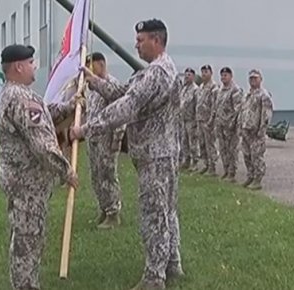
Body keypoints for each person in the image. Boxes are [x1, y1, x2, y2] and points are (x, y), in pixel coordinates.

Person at [70, 19, 183, 290]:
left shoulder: (158, 73)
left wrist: (84, 129)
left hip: (156, 156)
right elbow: (124, 92)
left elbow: (127, 105)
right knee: (166, 211)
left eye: (141, 39)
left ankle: (155, 278)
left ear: (156, 40)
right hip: (160, 154)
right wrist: (93, 80)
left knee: (154, 214)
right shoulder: (154, 71)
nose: (136, 44)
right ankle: (172, 264)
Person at [0, 44, 79, 290]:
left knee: (23, 239)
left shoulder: (10, 94)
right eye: (31, 62)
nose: (35, 67)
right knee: (28, 243)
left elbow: (45, 114)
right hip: (28, 186)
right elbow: (43, 145)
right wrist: (67, 172)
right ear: (18, 66)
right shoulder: (21, 98)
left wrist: (70, 105)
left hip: (18, 183)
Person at [84, 52, 125, 229]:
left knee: (108, 175)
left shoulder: (112, 85)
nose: (89, 71)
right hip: (93, 138)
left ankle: (113, 212)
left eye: (91, 66)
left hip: (107, 139)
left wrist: (116, 140)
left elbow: (120, 113)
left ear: (101, 64)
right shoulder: (92, 87)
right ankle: (104, 207)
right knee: (96, 176)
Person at [239, 69, 273, 190]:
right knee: (247, 155)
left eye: (255, 78)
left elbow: (266, 116)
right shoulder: (247, 95)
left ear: (261, 79)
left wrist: (261, 131)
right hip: (246, 131)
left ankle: (258, 180)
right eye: (251, 78)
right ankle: (250, 176)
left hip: (256, 132)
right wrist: (240, 127)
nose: (253, 80)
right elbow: (242, 111)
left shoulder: (264, 95)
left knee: (256, 156)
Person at [215, 67, 243, 182]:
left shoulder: (235, 90)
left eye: (225, 75)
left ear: (231, 76)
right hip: (221, 125)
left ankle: (232, 172)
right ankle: (226, 170)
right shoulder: (220, 90)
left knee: (232, 150)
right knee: (223, 149)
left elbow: (238, 110)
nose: (223, 77)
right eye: (222, 75)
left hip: (231, 127)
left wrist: (234, 125)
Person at [195, 65, 219, 175]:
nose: (204, 74)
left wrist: (211, 121)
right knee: (202, 144)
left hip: (208, 121)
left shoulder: (214, 88)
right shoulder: (200, 87)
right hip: (200, 119)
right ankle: (205, 164)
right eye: (202, 72)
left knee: (210, 145)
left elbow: (215, 106)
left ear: (211, 73)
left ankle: (212, 167)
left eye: (206, 72)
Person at [178, 67, 199, 171]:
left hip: (191, 120)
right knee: (184, 142)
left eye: (189, 75)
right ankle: (186, 161)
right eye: (186, 75)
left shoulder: (195, 90)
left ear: (193, 77)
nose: (187, 77)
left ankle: (195, 162)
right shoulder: (184, 88)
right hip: (183, 119)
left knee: (193, 143)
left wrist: (196, 120)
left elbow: (197, 106)